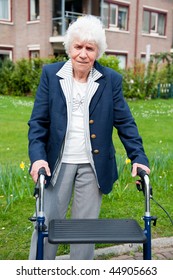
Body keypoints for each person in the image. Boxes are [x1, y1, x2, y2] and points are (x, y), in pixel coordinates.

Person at [28, 15, 150, 260]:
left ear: (98, 52)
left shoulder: (110, 80)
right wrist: (38, 159)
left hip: (93, 166)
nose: (83, 54)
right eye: (78, 47)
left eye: (89, 48)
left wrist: (138, 157)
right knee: (46, 223)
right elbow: (38, 123)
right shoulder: (51, 75)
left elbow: (126, 122)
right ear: (69, 47)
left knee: (84, 231)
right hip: (56, 164)